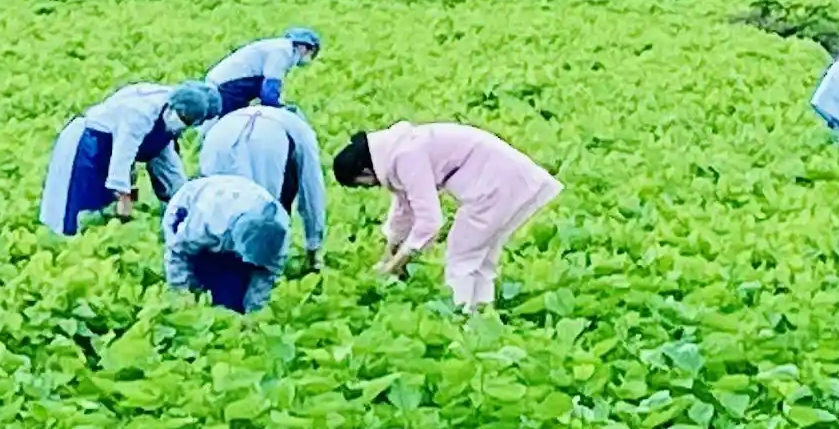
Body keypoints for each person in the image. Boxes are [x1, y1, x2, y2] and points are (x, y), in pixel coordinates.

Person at [336, 122, 561, 310]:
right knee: (480, 257)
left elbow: (429, 220)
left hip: (493, 184)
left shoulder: (405, 157)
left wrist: (396, 262)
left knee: (462, 255)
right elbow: (404, 210)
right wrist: (390, 254)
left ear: (365, 172)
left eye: (362, 184)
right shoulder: (396, 152)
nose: (369, 187)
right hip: (503, 180)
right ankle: (480, 314)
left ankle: (460, 313)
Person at [40, 80, 221, 236]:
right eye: (183, 117)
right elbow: (123, 156)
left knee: (103, 211)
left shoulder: (166, 122)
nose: (182, 123)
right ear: (174, 107)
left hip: (109, 154)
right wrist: (125, 201)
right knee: (74, 207)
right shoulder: (142, 111)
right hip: (87, 145)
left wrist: (184, 199)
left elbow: (165, 162)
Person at [193, 90, 330, 267]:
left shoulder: (230, 117)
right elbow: (311, 188)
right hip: (268, 142)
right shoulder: (300, 129)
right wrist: (314, 245)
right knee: (265, 210)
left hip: (220, 134)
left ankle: (212, 256)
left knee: (220, 198)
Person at [160, 171, 292, 312]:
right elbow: (178, 253)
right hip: (190, 207)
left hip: (237, 202)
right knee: (205, 286)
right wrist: (184, 296)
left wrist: (254, 313)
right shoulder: (206, 222)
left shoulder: (279, 233)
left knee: (235, 296)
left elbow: (266, 274)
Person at [205, 27, 322, 115]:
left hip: (227, 82)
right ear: (303, 46)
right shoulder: (284, 51)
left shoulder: (278, 46)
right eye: (310, 51)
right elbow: (271, 84)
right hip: (229, 85)